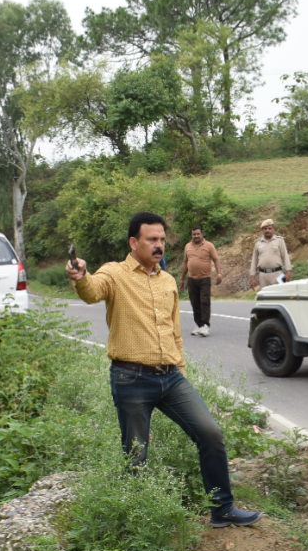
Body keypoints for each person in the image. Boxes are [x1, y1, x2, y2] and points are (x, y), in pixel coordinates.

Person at [67, 212, 261, 529]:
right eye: (151, 240)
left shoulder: (168, 280)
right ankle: (138, 526)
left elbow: (174, 331)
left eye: (161, 240)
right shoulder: (114, 274)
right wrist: (80, 276)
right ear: (134, 242)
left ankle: (222, 508)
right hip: (131, 378)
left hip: (171, 377)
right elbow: (92, 291)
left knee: (210, 433)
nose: (159, 246)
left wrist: (180, 369)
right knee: (136, 454)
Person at [179, 225, 222, 337]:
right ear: (191, 235)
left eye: (198, 234)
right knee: (194, 303)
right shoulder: (187, 246)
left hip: (205, 279)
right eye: (194, 234)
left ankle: (205, 326)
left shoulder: (209, 245)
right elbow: (185, 263)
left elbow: (216, 259)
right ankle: (198, 325)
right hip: (192, 279)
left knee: (204, 302)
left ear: (202, 234)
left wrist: (219, 273)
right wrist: (182, 279)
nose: (196, 236)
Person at [249, 219, 292, 288]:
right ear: (262, 230)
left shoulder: (280, 241)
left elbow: (285, 256)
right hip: (263, 276)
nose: (267, 230)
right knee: (265, 296)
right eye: (265, 229)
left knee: (280, 295)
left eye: (269, 228)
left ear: (273, 229)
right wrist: (252, 276)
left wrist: (288, 271)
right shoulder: (258, 243)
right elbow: (254, 261)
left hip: (278, 273)